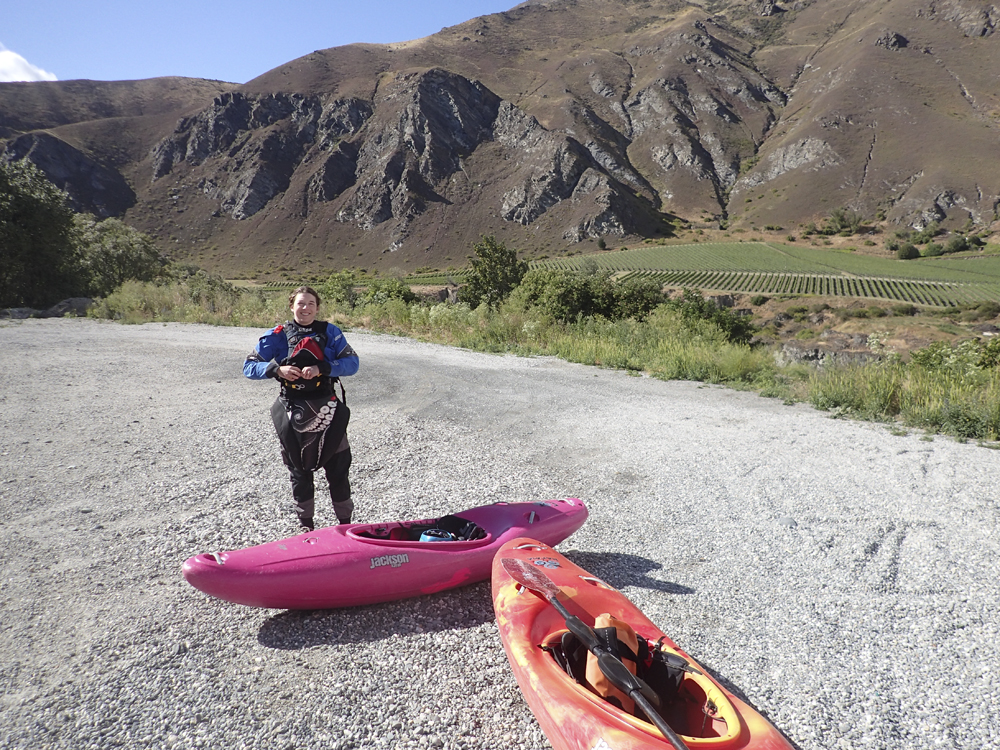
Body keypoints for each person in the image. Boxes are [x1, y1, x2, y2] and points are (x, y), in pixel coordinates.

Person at [244, 286, 360, 530]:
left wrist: (323, 368)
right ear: (291, 306)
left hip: (327, 408)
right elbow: (249, 367)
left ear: (317, 308)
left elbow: (352, 363)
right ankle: (306, 527)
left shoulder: (331, 332)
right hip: (291, 408)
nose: (305, 308)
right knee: (299, 471)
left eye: (310, 304)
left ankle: (345, 526)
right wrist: (277, 369)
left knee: (339, 468)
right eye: (300, 303)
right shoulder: (277, 335)